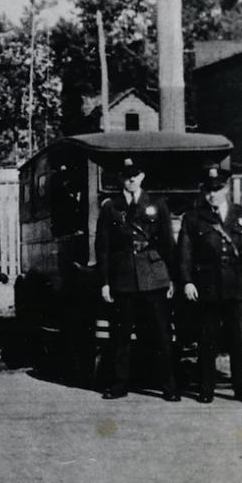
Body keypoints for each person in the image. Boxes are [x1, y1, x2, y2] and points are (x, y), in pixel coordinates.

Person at [177, 164, 242, 404]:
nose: (212, 194)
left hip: (237, 288)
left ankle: (241, 390)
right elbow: (185, 253)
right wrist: (186, 282)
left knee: (238, 339)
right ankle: (207, 389)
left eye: (216, 189)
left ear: (226, 188)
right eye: (208, 190)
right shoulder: (193, 218)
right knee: (207, 340)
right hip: (207, 288)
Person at [95, 156, 180, 402]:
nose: (131, 179)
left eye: (135, 174)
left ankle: (169, 385)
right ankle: (120, 384)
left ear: (142, 176)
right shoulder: (111, 206)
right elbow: (103, 247)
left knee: (161, 334)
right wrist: (105, 282)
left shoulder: (157, 204)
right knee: (120, 335)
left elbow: (168, 244)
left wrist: (172, 278)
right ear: (120, 177)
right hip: (123, 278)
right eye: (126, 175)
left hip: (154, 277)